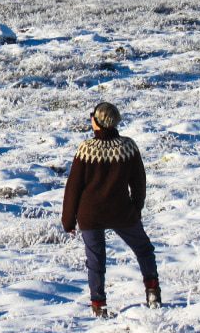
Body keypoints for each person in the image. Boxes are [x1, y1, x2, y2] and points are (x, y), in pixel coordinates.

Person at [60, 101, 160, 316]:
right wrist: (136, 209)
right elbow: (139, 182)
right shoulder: (128, 147)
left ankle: (99, 306)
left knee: (96, 261)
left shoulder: (86, 149)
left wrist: (68, 220)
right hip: (122, 211)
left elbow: (73, 187)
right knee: (144, 250)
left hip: (90, 214)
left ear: (97, 122)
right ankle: (152, 292)